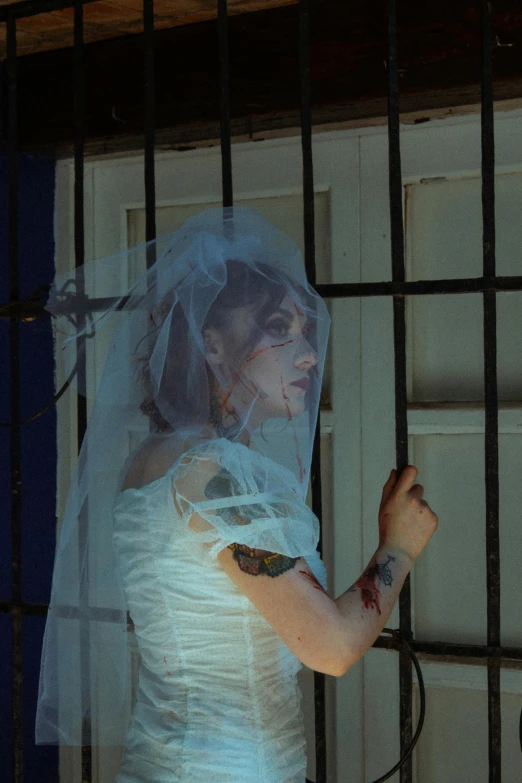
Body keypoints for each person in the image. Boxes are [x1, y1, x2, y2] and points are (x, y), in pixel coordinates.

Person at [36, 206, 438, 783]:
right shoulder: (212, 474)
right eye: (279, 328)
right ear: (212, 344)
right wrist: (398, 546)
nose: (307, 354)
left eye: (305, 332)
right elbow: (331, 646)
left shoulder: (155, 459)